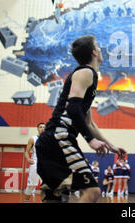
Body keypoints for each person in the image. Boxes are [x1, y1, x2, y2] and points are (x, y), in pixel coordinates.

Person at [35, 34, 126, 203]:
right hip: (58, 137)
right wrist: (90, 140)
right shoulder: (85, 72)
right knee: (92, 191)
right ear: (94, 52)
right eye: (98, 46)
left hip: (53, 140)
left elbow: (88, 122)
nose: (100, 49)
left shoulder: (89, 76)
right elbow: (73, 107)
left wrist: (111, 145)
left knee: (55, 197)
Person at [24, 122, 46, 202]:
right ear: (37, 129)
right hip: (35, 163)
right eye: (40, 127)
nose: (42, 128)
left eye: (44, 127)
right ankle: (26, 201)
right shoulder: (33, 139)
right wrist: (28, 159)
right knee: (31, 185)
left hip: (46, 164)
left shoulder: (49, 140)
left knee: (47, 185)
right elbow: (26, 152)